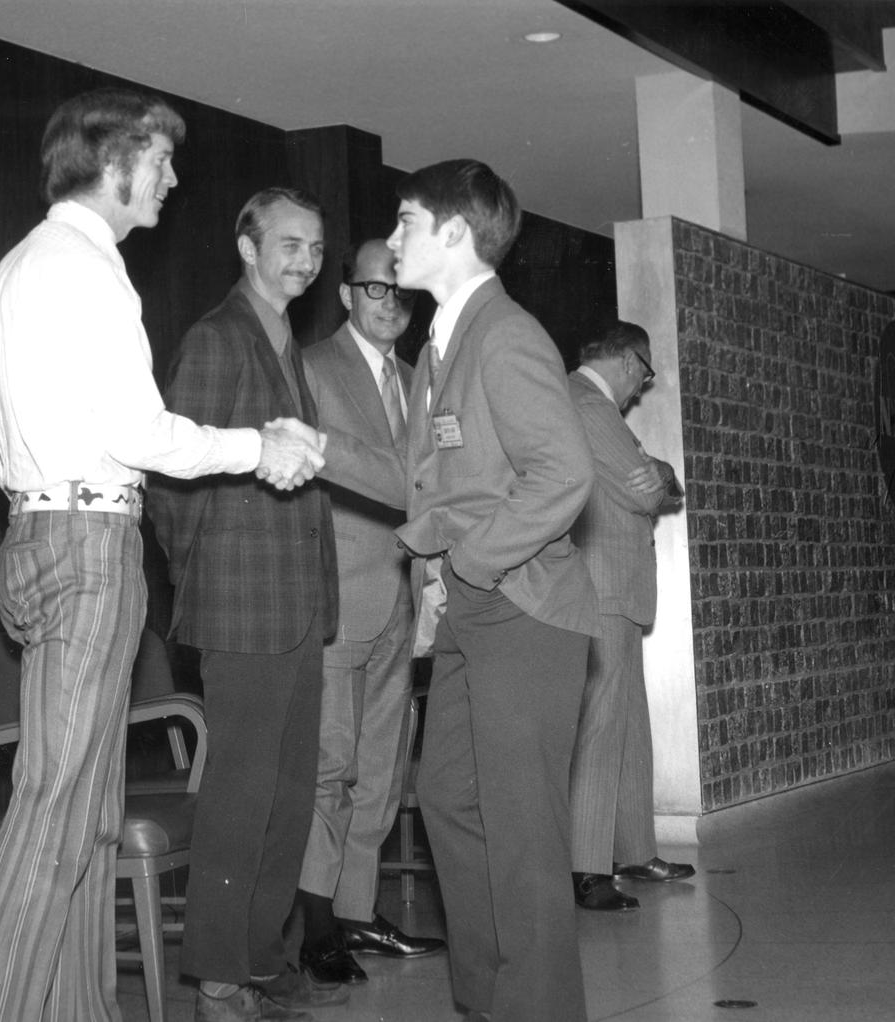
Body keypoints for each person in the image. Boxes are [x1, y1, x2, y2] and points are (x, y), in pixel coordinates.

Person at [0, 90, 324, 1022]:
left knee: (82, 813)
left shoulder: (21, 266)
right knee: (56, 810)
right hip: (87, 544)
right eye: (159, 161)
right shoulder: (88, 266)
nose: (170, 178)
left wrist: (37, 490)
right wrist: (254, 448)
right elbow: (139, 431)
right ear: (113, 164)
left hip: (45, 532)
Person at [317, 159, 599, 1022]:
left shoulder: (504, 336)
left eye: (404, 222)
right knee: (447, 798)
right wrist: (318, 449)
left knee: (522, 836)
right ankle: (490, 1001)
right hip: (480, 611)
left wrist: (469, 564)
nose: (393, 240)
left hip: (524, 608)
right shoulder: (446, 342)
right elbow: (421, 481)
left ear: (452, 234)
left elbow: (564, 475)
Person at [148, 187, 345, 1022]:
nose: (303, 258)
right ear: (247, 244)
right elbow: (171, 482)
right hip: (241, 607)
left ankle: (264, 958)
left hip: (298, 606)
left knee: (289, 795)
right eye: (288, 243)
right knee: (240, 796)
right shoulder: (216, 336)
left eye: (314, 247)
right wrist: (206, 577)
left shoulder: (286, 341)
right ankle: (218, 980)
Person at [295, 240, 444, 986]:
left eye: (403, 296)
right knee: (331, 761)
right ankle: (317, 922)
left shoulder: (420, 381)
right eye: (378, 292)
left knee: (383, 764)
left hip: (403, 594)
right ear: (347, 294)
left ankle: (358, 909)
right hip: (338, 595)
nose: (392, 307)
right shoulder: (311, 368)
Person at [567, 320, 692, 912]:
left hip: (617, 588)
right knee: (601, 725)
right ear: (627, 359)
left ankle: (635, 849)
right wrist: (660, 475)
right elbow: (647, 493)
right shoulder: (588, 406)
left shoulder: (594, 408)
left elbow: (663, 483)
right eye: (644, 373)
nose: (643, 387)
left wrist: (663, 472)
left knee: (629, 724)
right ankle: (588, 868)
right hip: (602, 586)